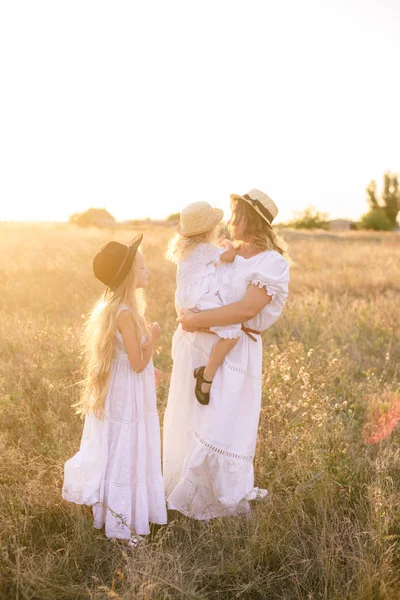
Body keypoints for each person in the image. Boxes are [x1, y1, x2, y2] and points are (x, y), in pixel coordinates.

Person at [163, 189, 290, 520]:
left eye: (235, 214)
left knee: (223, 424)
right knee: (191, 418)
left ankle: (222, 498)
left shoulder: (271, 263)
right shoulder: (226, 251)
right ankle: (182, 486)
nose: (229, 221)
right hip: (198, 345)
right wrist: (192, 321)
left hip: (236, 351)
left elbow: (246, 309)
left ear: (248, 218)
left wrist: (194, 320)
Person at [62, 234, 167, 545]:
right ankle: (121, 528)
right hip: (127, 394)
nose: (148, 272)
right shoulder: (124, 314)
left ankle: (122, 512)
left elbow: (128, 359)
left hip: (121, 388)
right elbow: (136, 363)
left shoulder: (116, 307)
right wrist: (153, 339)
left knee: (121, 445)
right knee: (127, 446)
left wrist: (151, 366)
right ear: (130, 275)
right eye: (144, 268)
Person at [166, 201, 240, 405]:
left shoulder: (188, 249)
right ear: (210, 229)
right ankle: (206, 375)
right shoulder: (205, 248)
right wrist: (227, 244)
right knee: (233, 332)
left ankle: (207, 330)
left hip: (187, 299)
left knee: (217, 326)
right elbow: (231, 256)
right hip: (199, 298)